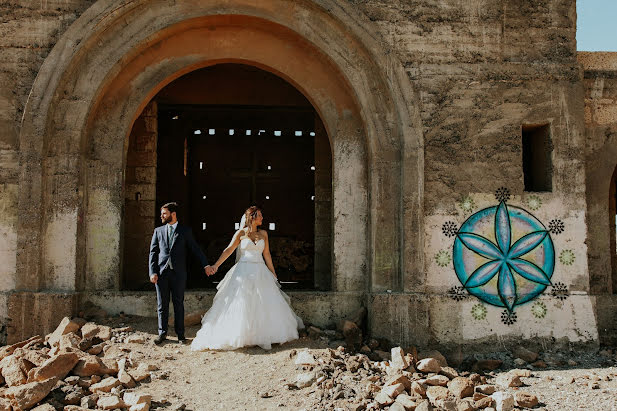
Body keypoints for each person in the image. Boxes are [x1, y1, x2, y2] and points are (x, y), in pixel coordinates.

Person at [191, 206, 304, 351]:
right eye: (260, 216)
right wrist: (216, 265)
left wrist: (273, 273)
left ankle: (263, 334)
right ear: (252, 218)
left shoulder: (264, 234)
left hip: (260, 270)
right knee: (241, 303)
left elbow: (267, 254)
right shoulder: (241, 233)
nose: (262, 218)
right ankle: (242, 335)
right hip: (243, 271)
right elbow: (229, 250)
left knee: (264, 302)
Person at [149, 202, 215, 344]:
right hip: (161, 273)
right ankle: (162, 333)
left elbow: (195, 249)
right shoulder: (158, 231)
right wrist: (152, 272)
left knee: (178, 304)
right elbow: (153, 253)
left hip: (179, 274)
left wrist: (206, 265)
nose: (161, 216)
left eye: (164, 213)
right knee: (162, 304)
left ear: (173, 214)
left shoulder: (185, 231)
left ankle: (180, 335)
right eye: (162, 213)